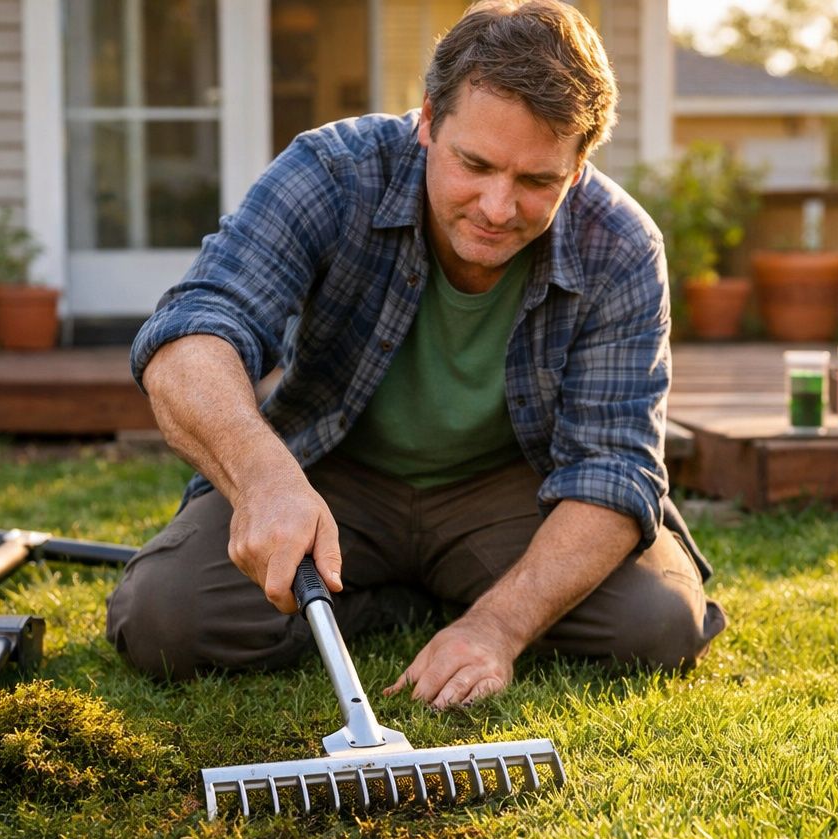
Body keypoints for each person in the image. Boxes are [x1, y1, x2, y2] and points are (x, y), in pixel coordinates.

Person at [106, 0, 725, 708]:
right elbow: (193, 331)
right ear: (429, 120)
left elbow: (615, 470)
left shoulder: (621, 245)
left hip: (510, 491)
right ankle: (399, 600)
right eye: (475, 164)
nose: (497, 207)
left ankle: (460, 603)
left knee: (654, 624)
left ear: (579, 166)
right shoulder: (333, 172)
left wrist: (497, 627)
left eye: (535, 182)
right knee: (164, 618)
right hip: (332, 476)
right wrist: (263, 479)